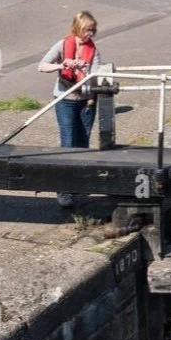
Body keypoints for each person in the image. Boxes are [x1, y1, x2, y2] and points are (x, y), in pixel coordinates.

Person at [38, 11, 102, 208]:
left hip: (86, 102)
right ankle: (63, 190)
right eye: (86, 30)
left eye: (92, 31)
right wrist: (62, 65)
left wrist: (86, 72)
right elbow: (41, 66)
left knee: (83, 143)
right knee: (68, 142)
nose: (90, 34)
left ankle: (78, 184)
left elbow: (98, 76)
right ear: (77, 28)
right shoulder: (62, 45)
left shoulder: (94, 51)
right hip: (65, 99)